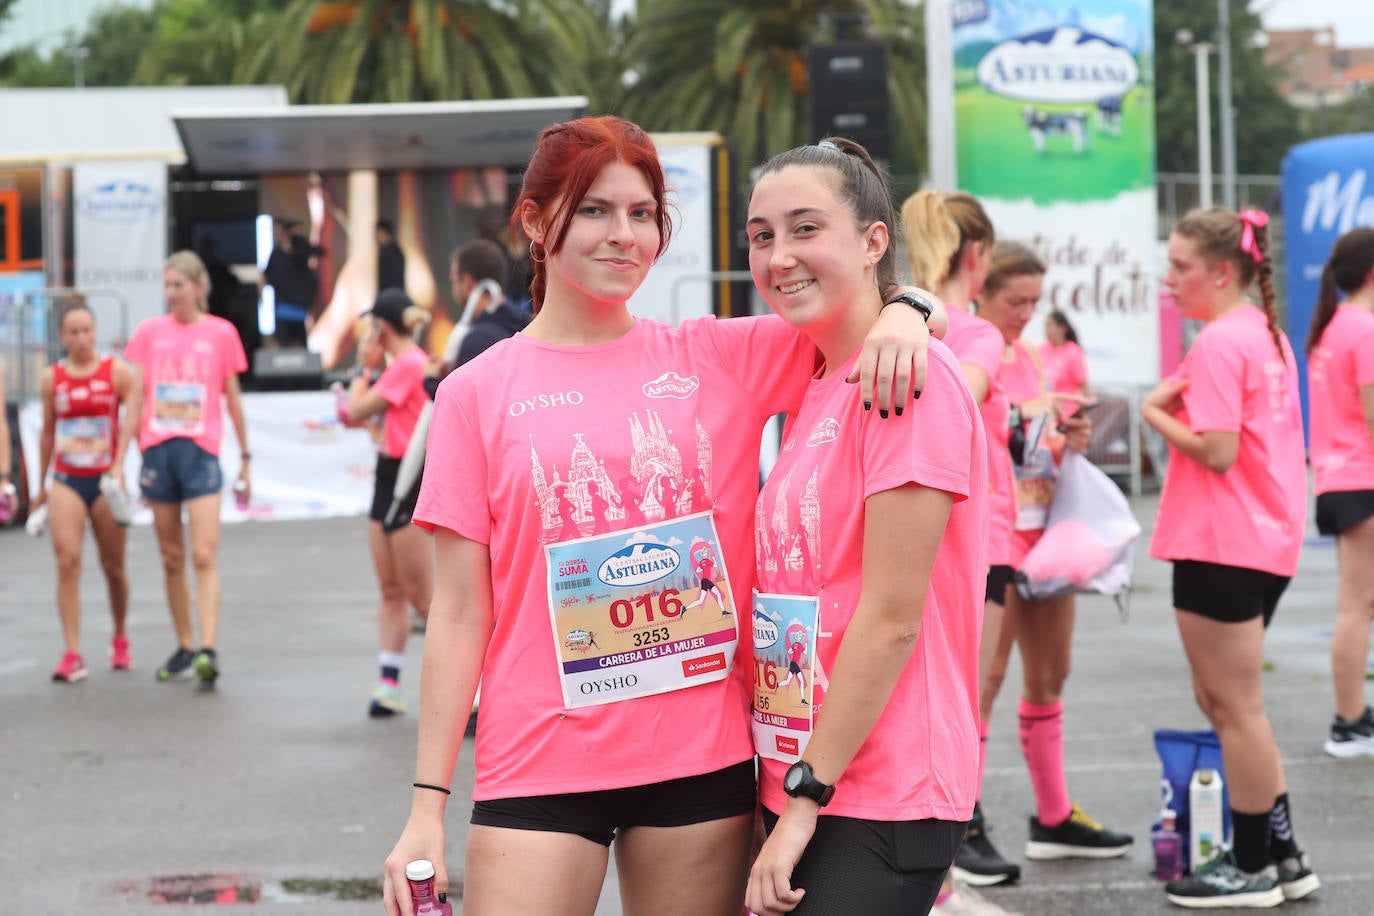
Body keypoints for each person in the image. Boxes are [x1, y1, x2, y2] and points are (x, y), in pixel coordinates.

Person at [380, 115, 937, 916]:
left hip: (697, 768)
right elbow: (463, 610)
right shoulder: (475, 392)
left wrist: (908, 308)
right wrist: (425, 809)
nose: (624, 236)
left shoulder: (720, 355)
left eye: (642, 214)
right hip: (538, 765)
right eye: (596, 210)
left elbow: (859, 317)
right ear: (537, 222)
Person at [744, 139, 986, 916]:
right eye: (761, 235)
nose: (780, 256)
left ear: (874, 240)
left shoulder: (907, 380)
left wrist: (804, 800)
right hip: (810, 771)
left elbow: (890, 622)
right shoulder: (816, 375)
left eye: (805, 228)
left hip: (881, 789)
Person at [1143, 207, 1318, 907]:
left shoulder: (1221, 341)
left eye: (1181, 266)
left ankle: (1249, 867)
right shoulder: (1264, 333)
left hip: (1224, 541)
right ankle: (1283, 855)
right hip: (1261, 540)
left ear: (1223, 272)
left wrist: (1155, 413)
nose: (1170, 278)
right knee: (1236, 706)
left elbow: (1219, 452)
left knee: (1235, 708)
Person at [971, 242, 1134, 862]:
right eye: (1017, 301)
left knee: (1050, 677)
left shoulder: (1037, 355)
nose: (1027, 314)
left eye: (1036, 303)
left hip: (1047, 531)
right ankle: (963, 824)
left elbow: (1037, 449)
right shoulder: (966, 348)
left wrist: (1071, 437)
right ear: (980, 290)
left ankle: (1054, 815)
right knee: (982, 682)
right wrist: (1020, 417)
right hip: (993, 535)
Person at [902, 190, 1023, 911]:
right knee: (961, 703)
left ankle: (947, 848)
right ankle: (947, 855)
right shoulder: (972, 334)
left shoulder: (902, 321)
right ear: (977, 257)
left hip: (937, 536)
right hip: (972, 542)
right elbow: (963, 392)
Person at [124, 250, 250, 686]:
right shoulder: (148, 333)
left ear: (199, 287)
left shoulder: (221, 333)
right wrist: (122, 455)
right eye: (167, 285)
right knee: (171, 556)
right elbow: (136, 397)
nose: (172, 293)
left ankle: (208, 647)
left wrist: (247, 460)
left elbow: (232, 397)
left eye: (179, 284)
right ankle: (184, 643)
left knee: (203, 552)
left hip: (201, 451)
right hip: (158, 450)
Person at [342, 287, 435, 718]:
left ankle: (478, 687)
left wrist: (362, 364)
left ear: (380, 327)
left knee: (424, 597)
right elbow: (353, 414)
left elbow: (357, 407)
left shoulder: (409, 364)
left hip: (408, 476)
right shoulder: (399, 366)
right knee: (390, 589)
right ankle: (388, 683)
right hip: (386, 476)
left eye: (371, 325)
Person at [31, 303, 137, 681]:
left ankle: (120, 637)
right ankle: (72, 651)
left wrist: (119, 463)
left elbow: (132, 416)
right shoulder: (52, 378)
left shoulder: (116, 372)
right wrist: (41, 487)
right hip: (67, 478)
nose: (79, 338)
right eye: (72, 332)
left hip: (104, 481)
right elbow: (47, 432)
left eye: (86, 330)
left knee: (113, 567)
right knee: (67, 562)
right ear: (62, 336)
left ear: (96, 332)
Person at [1306, 227, 1374, 758]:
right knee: (1358, 605)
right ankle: (1348, 721)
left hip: (1337, 477)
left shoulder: (1334, 326)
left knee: (1358, 603)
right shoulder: (1364, 329)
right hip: (1360, 479)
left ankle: (1352, 715)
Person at [1039, 311, 1089, 403]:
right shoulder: (1041, 349)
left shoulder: (1073, 351)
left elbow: (1083, 387)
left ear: (1063, 328)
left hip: (1067, 408)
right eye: (1046, 326)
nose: (1047, 330)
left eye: (1050, 325)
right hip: (1044, 406)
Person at [376, 219, 407, 293]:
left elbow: (394, 278)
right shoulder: (394, 250)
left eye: (378, 233)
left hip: (391, 294)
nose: (376, 237)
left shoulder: (390, 251)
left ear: (384, 233)